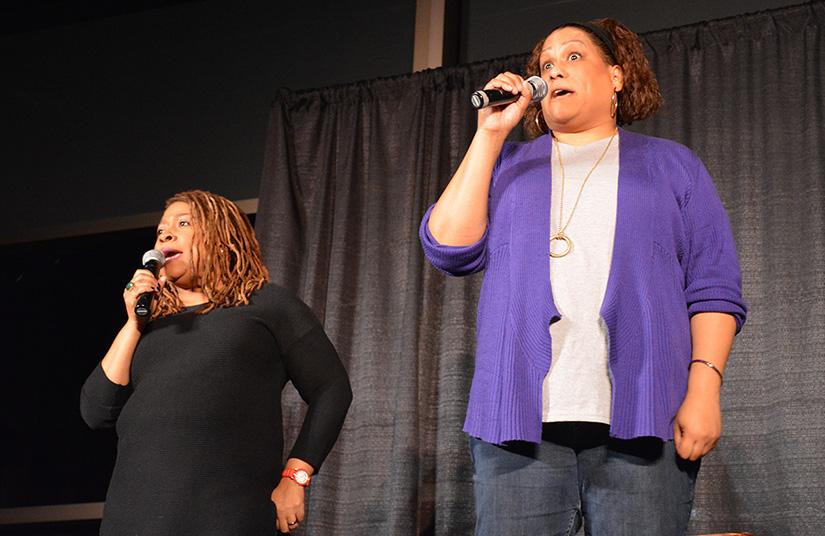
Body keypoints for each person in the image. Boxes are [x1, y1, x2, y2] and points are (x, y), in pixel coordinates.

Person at [419, 18, 746, 536]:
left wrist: (703, 389)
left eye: (572, 57)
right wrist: (490, 136)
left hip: (644, 421)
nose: (554, 70)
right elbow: (448, 248)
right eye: (545, 65)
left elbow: (713, 287)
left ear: (616, 77)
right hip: (517, 428)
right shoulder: (510, 167)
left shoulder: (671, 166)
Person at [80, 190, 352, 535]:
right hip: (133, 520)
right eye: (161, 230)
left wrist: (295, 476)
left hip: (226, 516)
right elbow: (97, 410)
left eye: (183, 224)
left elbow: (332, 388)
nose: (165, 234)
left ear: (222, 238)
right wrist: (134, 323)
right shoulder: (147, 327)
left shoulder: (266, 305)